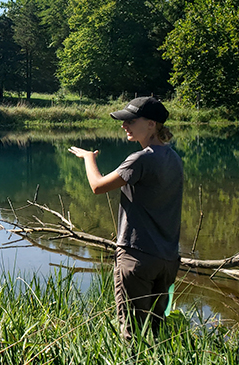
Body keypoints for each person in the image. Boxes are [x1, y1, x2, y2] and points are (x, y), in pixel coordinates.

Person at [68, 96, 183, 341]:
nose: (124, 125)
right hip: (168, 259)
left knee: (131, 333)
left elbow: (97, 186)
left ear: (152, 124)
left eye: (131, 120)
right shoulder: (173, 158)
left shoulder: (140, 159)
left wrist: (89, 158)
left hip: (137, 256)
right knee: (156, 328)